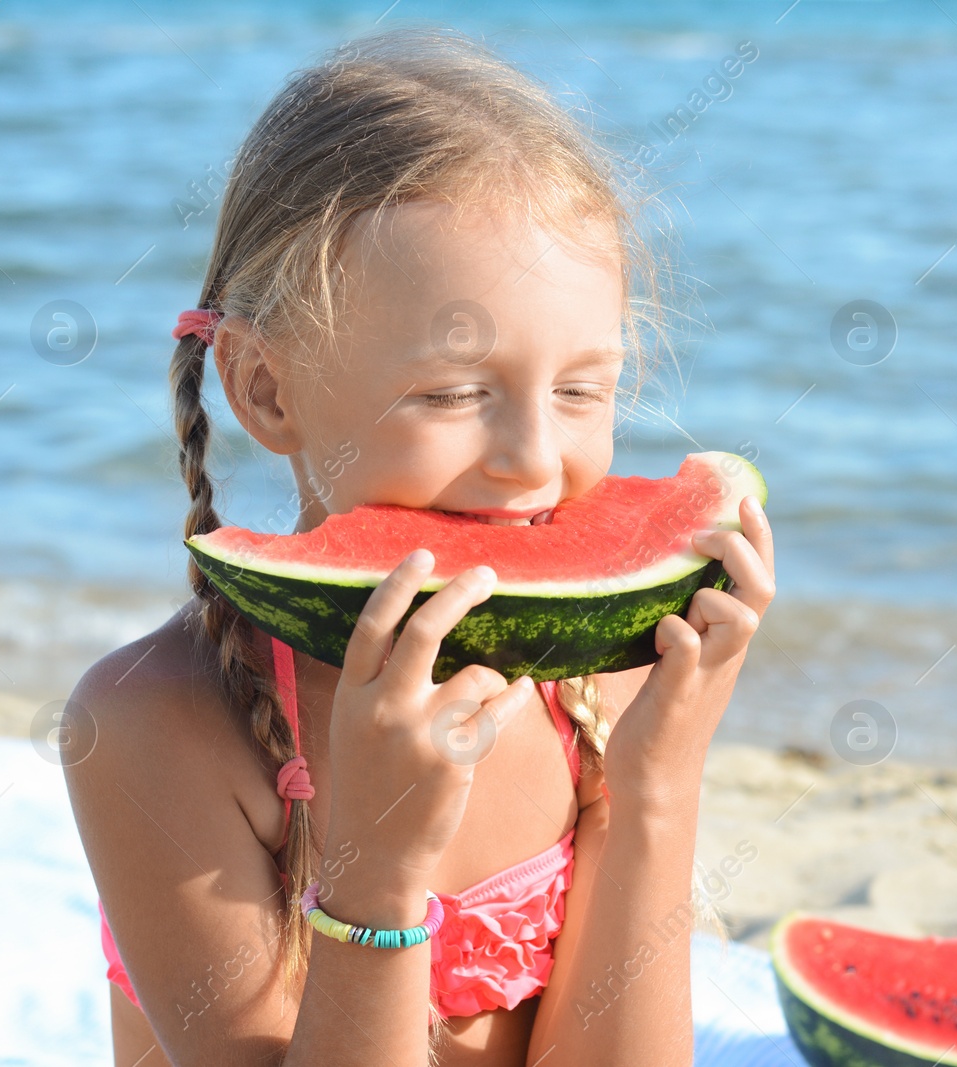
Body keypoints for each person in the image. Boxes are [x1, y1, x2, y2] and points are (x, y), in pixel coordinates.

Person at [60, 27, 776, 1067]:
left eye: (582, 389)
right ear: (266, 388)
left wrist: (656, 779)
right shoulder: (151, 726)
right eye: (451, 394)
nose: (534, 462)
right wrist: (375, 878)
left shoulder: (592, 688)